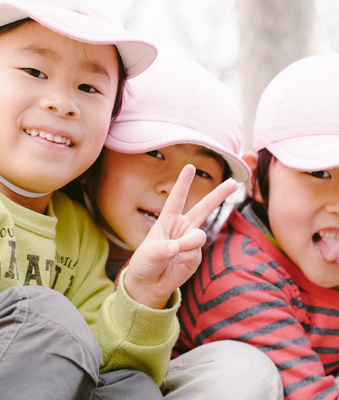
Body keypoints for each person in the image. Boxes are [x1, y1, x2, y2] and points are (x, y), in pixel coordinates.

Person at [0, 1, 236, 399]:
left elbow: (102, 369)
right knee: (46, 316)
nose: (62, 102)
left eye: (89, 88)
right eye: (35, 71)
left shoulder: (79, 235)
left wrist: (143, 294)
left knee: (133, 384)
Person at [174, 53, 339, 400]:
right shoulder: (239, 273)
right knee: (244, 372)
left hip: (313, 386)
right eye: (319, 172)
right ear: (258, 183)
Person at [68, 55, 284, 399]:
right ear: (101, 151)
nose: (173, 186)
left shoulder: (218, 270)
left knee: (242, 370)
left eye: (201, 173)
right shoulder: (53, 230)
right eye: (154, 153)